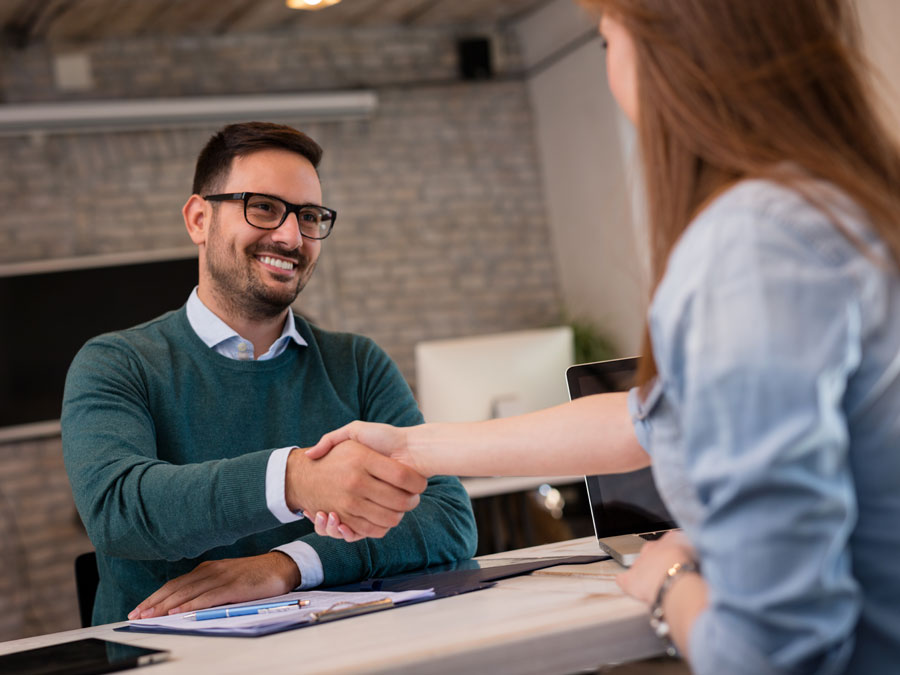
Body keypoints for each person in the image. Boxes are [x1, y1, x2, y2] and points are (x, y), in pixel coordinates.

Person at [305, 1, 900, 672]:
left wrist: (671, 581)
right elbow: (642, 419)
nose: (612, 69)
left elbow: (771, 653)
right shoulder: (850, 211)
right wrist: (413, 445)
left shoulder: (754, 244)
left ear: (670, 51)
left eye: (606, 42)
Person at [61, 121, 477, 625]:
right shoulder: (116, 363)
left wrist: (289, 566)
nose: (290, 235)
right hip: (174, 660)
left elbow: (448, 517)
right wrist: (294, 479)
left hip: (341, 652)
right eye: (262, 207)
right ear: (198, 219)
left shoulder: (357, 364)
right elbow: (118, 511)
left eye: (309, 216)